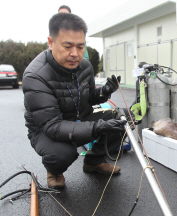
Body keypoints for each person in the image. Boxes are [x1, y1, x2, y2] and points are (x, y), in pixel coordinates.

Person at [23, 12, 127, 189]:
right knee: (62, 154)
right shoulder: (35, 76)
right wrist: (96, 127)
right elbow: (52, 126)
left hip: (80, 120)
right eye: (68, 46)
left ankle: (94, 161)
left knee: (125, 117)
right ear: (51, 42)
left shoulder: (85, 66)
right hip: (47, 131)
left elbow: (88, 97)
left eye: (80, 47)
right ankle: (54, 171)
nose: (75, 54)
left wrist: (104, 92)